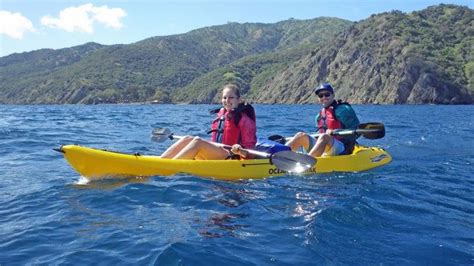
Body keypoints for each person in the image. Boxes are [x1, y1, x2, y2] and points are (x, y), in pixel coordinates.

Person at [161, 84, 257, 160]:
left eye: (231, 97)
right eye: (224, 97)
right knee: (188, 138)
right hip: (219, 153)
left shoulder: (245, 120)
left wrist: (239, 150)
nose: (227, 100)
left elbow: (250, 152)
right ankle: (162, 161)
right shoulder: (221, 117)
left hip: (231, 157)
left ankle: (170, 167)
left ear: (238, 100)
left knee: (198, 141)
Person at [286, 83, 360, 157]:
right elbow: (320, 133)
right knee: (300, 135)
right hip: (326, 146)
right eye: (320, 96)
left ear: (333, 95)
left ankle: (306, 162)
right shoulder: (319, 116)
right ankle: (278, 157)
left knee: (324, 137)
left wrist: (335, 131)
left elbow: (356, 131)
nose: (324, 97)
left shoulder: (343, 110)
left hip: (343, 148)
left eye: (327, 94)